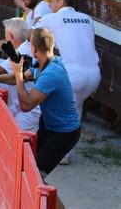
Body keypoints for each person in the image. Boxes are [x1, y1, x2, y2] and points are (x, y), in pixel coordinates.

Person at [11, 27, 80, 178]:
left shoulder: (50, 73)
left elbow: (26, 105)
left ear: (34, 48)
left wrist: (17, 74)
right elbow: (21, 77)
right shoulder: (46, 63)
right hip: (50, 127)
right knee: (26, 169)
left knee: (34, 179)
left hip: (63, 134)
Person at [34, 0, 101, 134]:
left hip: (73, 75)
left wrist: (37, 21)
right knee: (73, 115)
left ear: (61, 2)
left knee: (39, 104)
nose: (49, 5)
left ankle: (37, 148)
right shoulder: (87, 19)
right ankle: (65, 155)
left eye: (52, 2)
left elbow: (32, 35)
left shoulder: (51, 18)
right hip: (94, 76)